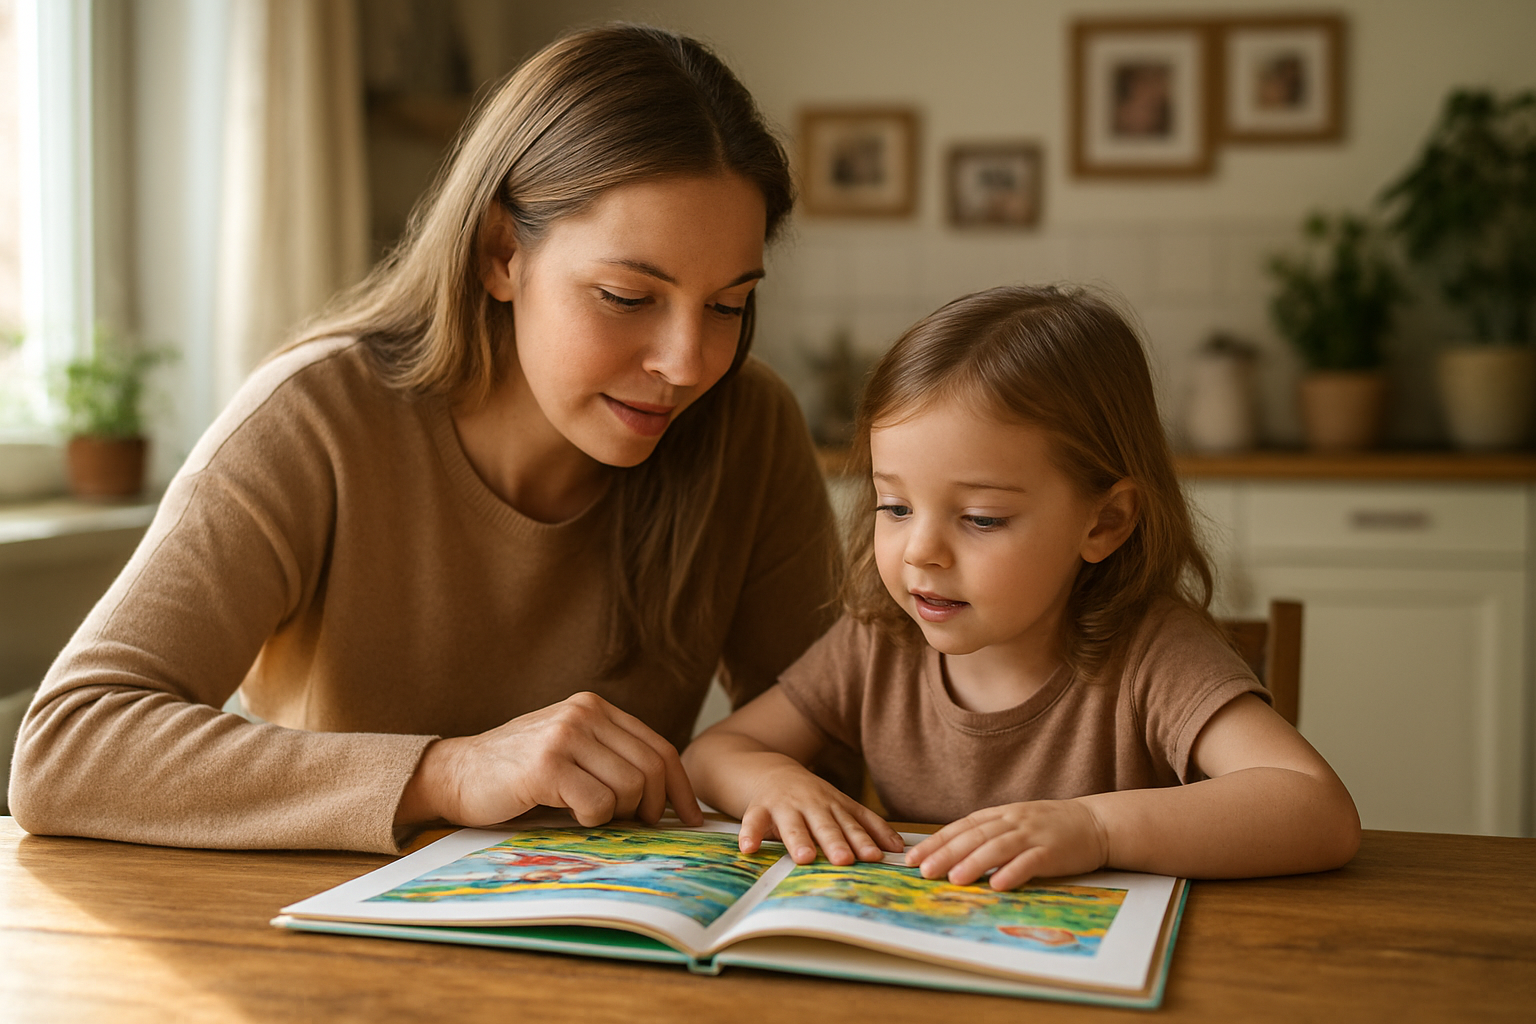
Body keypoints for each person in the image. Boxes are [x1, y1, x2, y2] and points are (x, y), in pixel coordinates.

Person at [10, 25, 842, 854]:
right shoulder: (313, 416)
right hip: (313, 922)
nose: (687, 364)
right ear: (500, 253)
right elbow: (67, 748)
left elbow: (836, 731)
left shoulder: (748, 423)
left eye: (728, 305)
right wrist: (448, 772)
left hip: (611, 925)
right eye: (627, 297)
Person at [683, 285, 1362, 890]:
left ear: (1105, 522)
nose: (920, 552)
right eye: (895, 506)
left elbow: (1315, 807)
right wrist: (777, 781)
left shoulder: (1152, 653)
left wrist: (1095, 828)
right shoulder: (877, 642)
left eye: (981, 518)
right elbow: (712, 753)